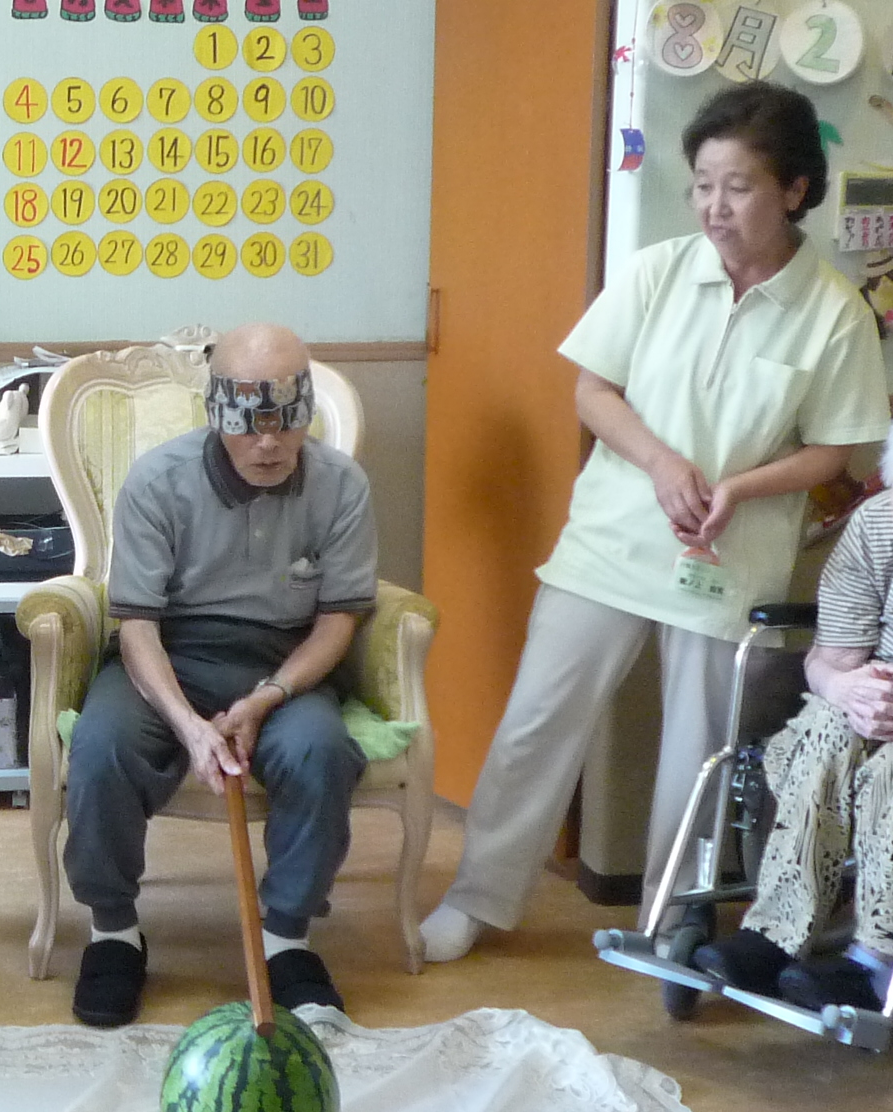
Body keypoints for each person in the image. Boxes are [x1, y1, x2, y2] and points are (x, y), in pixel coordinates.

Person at [420, 80, 890, 963]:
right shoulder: (658, 271)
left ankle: (668, 921)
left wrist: (741, 487)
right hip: (613, 538)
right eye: (703, 185)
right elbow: (594, 390)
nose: (714, 207)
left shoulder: (833, 311)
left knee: (697, 750)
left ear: (795, 189)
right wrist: (663, 464)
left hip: (730, 555)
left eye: (738, 187)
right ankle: (477, 897)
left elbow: (837, 452)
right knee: (537, 721)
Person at [63, 323, 375, 1028]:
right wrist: (189, 727)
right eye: (247, 423)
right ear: (215, 412)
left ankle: (286, 938)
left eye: (287, 421)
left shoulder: (340, 484)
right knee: (103, 748)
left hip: (283, 662)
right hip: (168, 654)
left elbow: (339, 619)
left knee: (321, 750)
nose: (269, 444)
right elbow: (136, 625)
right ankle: (114, 931)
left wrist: (268, 698)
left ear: (307, 412)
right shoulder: (157, 481)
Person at [693, 439, 893, 1012]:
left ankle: (877, 964)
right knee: (826, 730)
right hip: (873, 700)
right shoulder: (879, 525)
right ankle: (775, 939)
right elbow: (830, 659)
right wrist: (846, 689)